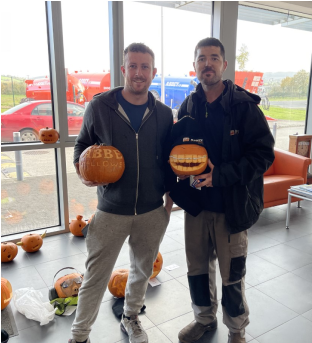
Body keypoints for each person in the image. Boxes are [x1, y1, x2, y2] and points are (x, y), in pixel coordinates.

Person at [171, 38, 275, 343]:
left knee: (232, 275)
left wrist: (221, 176)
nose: (208, 64)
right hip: (197, 206)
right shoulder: (189, 105)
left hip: (232, 205)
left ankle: (236, 330)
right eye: (201, 58)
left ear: (224, 65)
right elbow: (179, 150)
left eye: (214, 58)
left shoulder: (243, 107)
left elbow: (263, 155)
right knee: (197, 270)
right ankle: (203, 319)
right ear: (194, 66)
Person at [69, 43, 175, 343]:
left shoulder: (164, 114)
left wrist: (168, 202)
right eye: (133, 66)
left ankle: (131, 318)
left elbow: (168, 158)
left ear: (153, 72)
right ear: (123, 69)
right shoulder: (99, 106)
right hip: (110, 210)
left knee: (142, 271)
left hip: (153, 210)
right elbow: (81, 146)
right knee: (95, 276)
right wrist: (82, 170)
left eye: (145, 67)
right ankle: (79, 335)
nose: (139, 73)